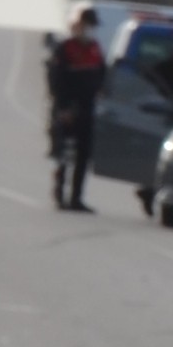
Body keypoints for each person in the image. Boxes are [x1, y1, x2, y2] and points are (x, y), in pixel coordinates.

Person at [45, 22, 111, 209]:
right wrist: (63, 108)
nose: (87, 31)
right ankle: (59, 192)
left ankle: (76, 198)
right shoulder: (65, 48)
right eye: (83, 26)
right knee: (63, 153)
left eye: (90, 27)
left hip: (86, 108)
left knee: (83, 155)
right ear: (76, 28)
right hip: (66, 108)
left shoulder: (94, 49)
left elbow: (101, 73)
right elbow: (56, 79)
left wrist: (101, 90)